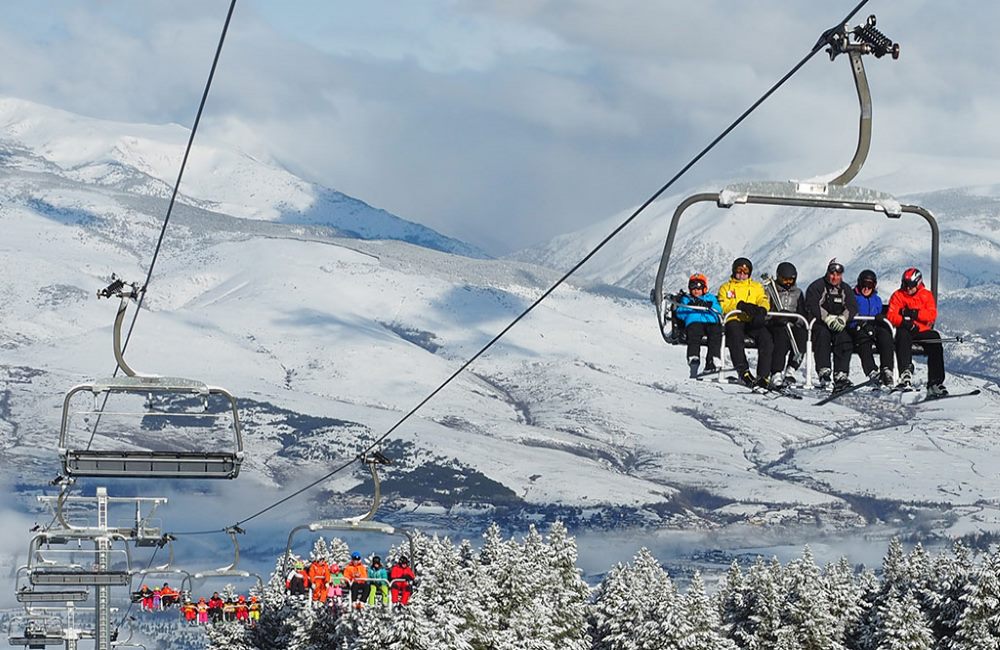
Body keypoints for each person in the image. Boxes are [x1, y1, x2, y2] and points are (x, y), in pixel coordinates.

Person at [887, 267, 947, 395]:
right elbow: (891, 315)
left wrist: (915, 314)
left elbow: (931, 315)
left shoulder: (926, 295)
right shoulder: (898, 295)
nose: (908, 288)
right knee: (902, 335)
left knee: (935, 339)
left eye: (911, 285)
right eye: (905, 285)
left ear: (918, 283)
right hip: (905, 329)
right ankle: (905, 373)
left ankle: (935, 382)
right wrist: (905, 322)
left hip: (921, 330)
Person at [717, 257, 773, 387]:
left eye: (745, 272)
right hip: (735, 319)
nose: (742, 275)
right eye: (739, 271)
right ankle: (743, 372)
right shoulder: (726, 287)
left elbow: (762, 299)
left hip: (751, 320)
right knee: (735, 337)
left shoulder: (756, 287)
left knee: (766, 338)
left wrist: (762, 309)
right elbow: (723, 306)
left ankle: (763, 375)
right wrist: (739, 306)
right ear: (734, 271)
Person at [805, 258, 858, 390]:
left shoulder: (845, 289)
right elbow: (812, 304)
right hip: (821, 323)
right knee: (823, 336)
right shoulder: (817, 286)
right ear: (828, 272)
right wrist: (827, 318)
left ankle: (841, 373)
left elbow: (852, 306)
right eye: (832, 274)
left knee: (845, 338)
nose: (835, 277)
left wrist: (843, 319)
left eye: (838, 275)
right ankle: (824, 371)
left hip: (838, 324)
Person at [762, 261, 808, 386]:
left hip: (793, 324)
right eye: (784, 280)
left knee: (802, 338)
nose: (788, 283)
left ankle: (791, 369)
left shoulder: (798, 293)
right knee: (781, 340)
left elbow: (803, 314)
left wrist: (794, 319)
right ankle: (776, 372)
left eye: (790, 280)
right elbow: (764, 310)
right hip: (776, 324)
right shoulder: (771, 291)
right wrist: (775, 318)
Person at [849, 269, 895, 386]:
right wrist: (861, 324)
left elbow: (880, 315)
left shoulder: (877, 300)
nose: (866, 288)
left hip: (873, 328)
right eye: (864, 284)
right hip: (858, 328)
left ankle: (887, 369)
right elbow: (849, 315)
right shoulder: (853, 298)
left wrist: (881, 319)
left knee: (885, 337)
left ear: (874, 286)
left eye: (870, 285)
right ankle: (872, 371)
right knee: (863, 341)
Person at [674, 273, 723, 377]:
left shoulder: (710, 298)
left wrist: (709, 305)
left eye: (699, 287)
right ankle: (693, 357)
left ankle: (712, 360)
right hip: (694, 322)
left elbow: (719, 309)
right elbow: (680, 311)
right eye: (693, 287)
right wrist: (691, 306)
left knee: (716, 334)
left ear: (704, 288)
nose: (696, 290)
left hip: (710, 322)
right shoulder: (687, 299)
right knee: (694, 334)